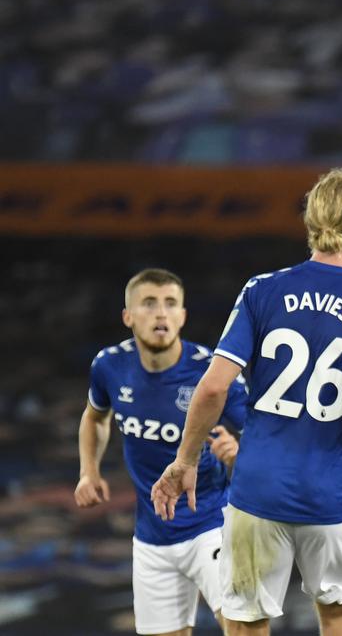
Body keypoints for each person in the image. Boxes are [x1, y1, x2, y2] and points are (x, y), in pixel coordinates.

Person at [150, 168, 342, 636]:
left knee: (245, 625)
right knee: (341, 620)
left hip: (257, 492)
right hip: (334, 497)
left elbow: (210, 388)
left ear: (311, 224)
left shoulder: (261, 290)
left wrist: (186, 459)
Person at [77, 268, 247, 636]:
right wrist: (88, 471)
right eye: (149, 303)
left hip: (212, 525)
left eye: (171, 304)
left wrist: (240, 454)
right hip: (152, 537)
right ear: (128, 316)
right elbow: (95, 418)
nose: (161, 313)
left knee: (243, 628)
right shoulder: (109, 366)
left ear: (183, 316)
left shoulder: (211, 374)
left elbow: (267, 435)